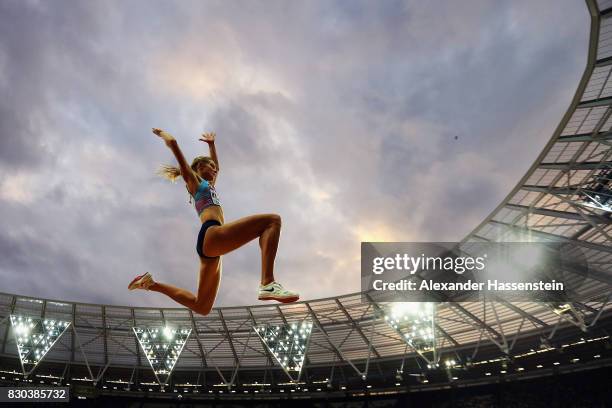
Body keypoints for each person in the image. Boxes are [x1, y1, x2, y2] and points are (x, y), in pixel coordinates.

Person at [127, 128, 299, 315]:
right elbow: (175, 146)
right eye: (211, 166)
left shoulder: (209, 184)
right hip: (211, 233)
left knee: (202, 306)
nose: (215, 169)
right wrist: (165, 136)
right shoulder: (194, 181)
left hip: (210, 246)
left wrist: (212, 145)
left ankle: (150, 284)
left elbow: (217, 165)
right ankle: (267, 283)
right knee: (272, 221)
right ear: (199, 168)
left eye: (215, 167)